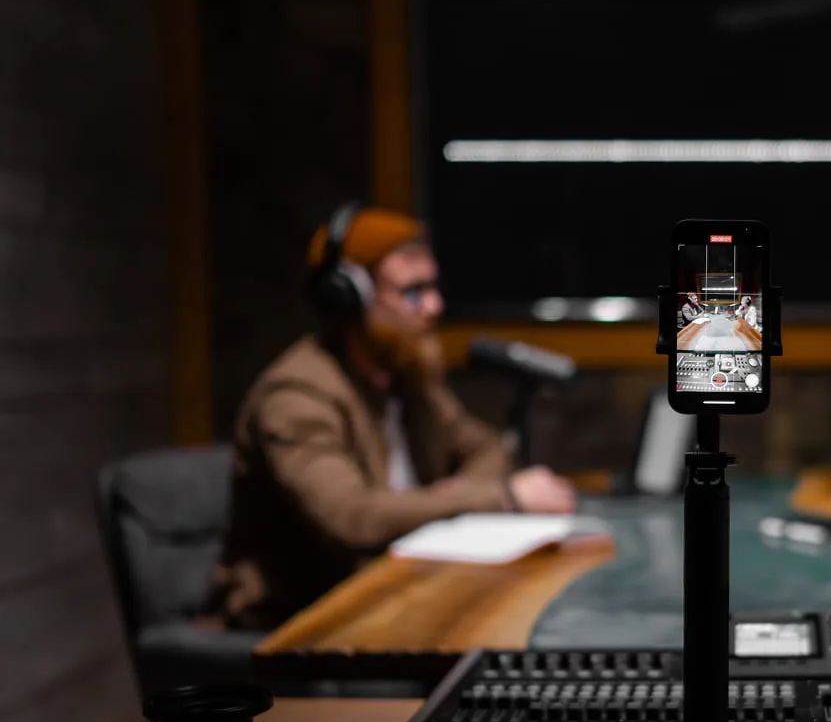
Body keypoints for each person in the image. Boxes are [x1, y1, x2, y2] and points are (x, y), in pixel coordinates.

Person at [204, 204, 577, 631]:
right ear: (349, 298)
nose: (434, 305)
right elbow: (352, 517)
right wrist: (498, 497)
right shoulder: (296, 395)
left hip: (393, 598)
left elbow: (487, 448)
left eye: (433, 287)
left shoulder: (407, 377)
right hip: (297, 625)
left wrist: (454, 494)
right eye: (413, 291)